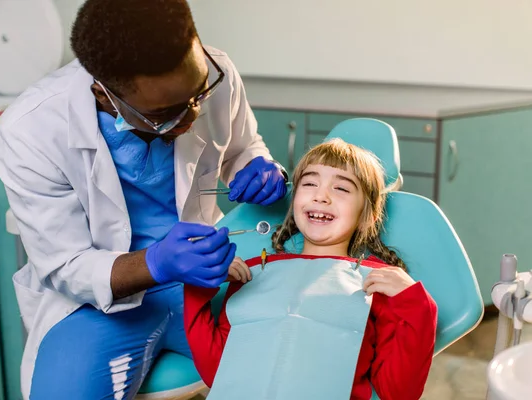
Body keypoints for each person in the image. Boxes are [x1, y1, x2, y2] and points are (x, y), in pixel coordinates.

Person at [0, 0, 289, 398]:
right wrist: (156, 263)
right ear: (105, 95)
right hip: (98, 305)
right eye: (166, 113)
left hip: (207, 276)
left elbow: (241, 147)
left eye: (198, 93)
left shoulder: (215, 71)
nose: (192, 115)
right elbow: (64, 264)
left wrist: (257, 166)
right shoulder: (31, 129)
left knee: (295, 368)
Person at [184, 139, 439, 400]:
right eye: (309, 183)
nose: (321, 195)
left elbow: (397, 393)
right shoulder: (250, 275)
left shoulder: (376, 284)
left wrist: (417, 306)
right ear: (294, 202)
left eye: (341, 188)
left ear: (368, 216)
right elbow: (218, 373)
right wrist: (201, 284)